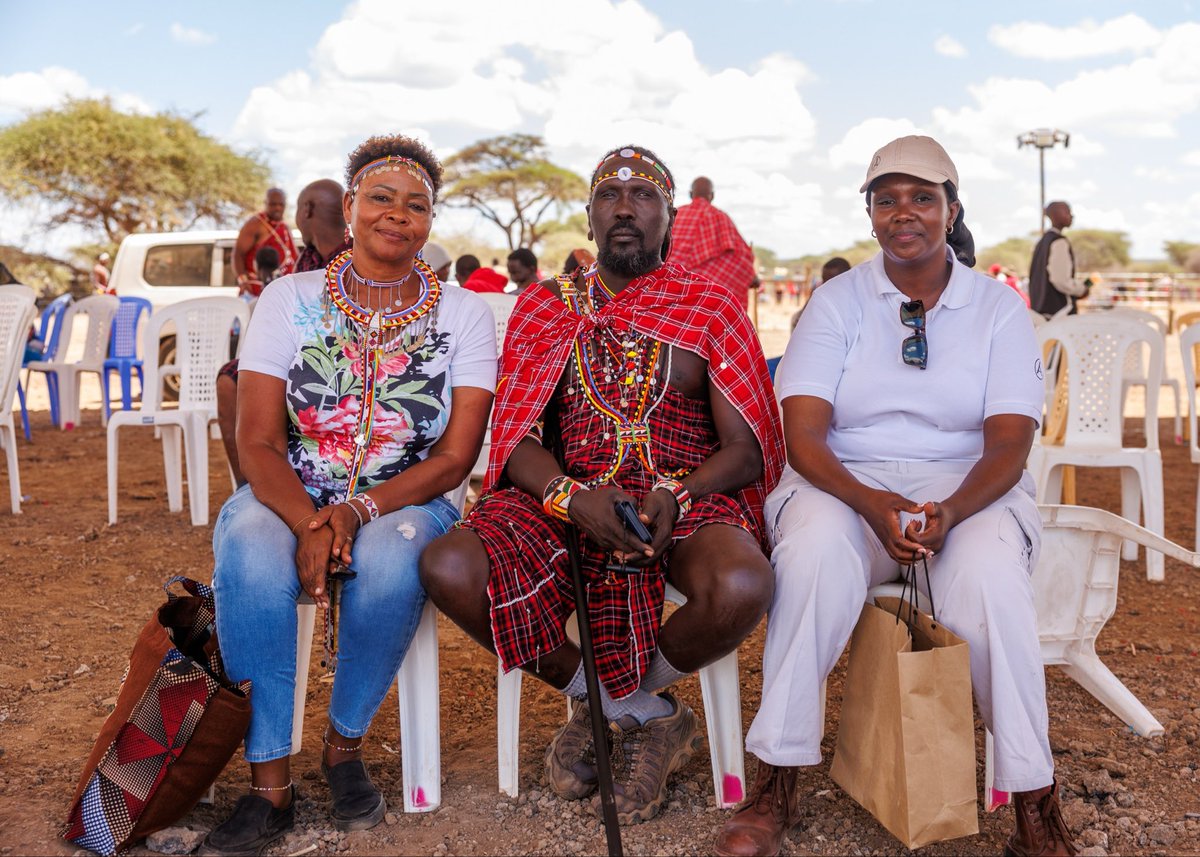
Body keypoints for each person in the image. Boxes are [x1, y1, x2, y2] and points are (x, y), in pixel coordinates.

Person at [714, 136, 1077, 857]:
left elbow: (1010, 442)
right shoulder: (836, 302)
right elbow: (803, 435)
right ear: (870, 213)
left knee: (990, 580)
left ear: (952, 209)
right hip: (842, 482)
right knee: (813, 555)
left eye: (922, 197)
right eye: (886, 199)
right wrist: (872, 502)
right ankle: (777, 777)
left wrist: (952, 511)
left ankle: (1035, 802)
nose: (903, 212)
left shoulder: (998, 309)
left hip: (967, 488)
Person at [419, 144, 784, 826]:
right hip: (566, 497)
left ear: (669, 218)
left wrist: (675, 492)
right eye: (608, 197)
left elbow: (744, 449)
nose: (624, 208)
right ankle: (629, 707)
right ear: (589, 218)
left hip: (685, 498)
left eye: (643, 195)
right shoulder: (545, 306)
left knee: (741, 583)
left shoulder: (709, 305)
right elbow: (515, 437)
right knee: (450, 564)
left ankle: (619, 702)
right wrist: (571, 496)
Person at [201, 135, 497, 855]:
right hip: (291, 489)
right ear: (352, 206)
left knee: (395, 558)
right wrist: (312, 520)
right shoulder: (289, 298)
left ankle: (343, 747)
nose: (398, 214)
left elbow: (455, 457)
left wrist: (357, 510)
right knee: (248, 542)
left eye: (417, 205)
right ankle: (269, 782)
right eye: (381, 198)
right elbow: (258, 441)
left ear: (431, 222)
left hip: (407, 498)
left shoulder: (463, 314)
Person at [218, 179, 351, 488]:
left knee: (231, 380)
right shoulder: (310, 257)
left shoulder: (348, 259)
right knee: (238, 375)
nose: (282, 211)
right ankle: (258, 484)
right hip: (301, 353)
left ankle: (255, 485)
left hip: (339, 361)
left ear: (306, 210)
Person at [667, 176, 757, 308]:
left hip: (669, 290)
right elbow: (741, 257)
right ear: (712, 196)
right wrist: (752, 277)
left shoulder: (675, 216)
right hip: (706, 299)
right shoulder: (720, 217)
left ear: (691, 194)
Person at [1029, 200, 1088, 317]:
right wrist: (1082, 290)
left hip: (1041, 310)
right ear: (1056, 215)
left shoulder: (1042, 242)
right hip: (1059, 312)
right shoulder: (1059, 242)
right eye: (1068, 212)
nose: (1071, 216)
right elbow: (1060, 280)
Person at [233, 188, 298, 290]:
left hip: (283, 288)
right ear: (265, 203)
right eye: (273, 204)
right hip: (257, 288)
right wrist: (243, 281)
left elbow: (295, 256)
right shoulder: (255, 224)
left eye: (281, 204)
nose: (277, 208)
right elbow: (238, 253)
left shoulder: (284, 227)